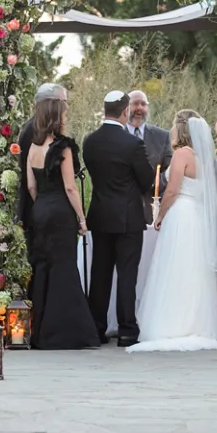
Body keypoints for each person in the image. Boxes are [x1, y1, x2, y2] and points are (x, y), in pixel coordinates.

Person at [127, 110, 217, 353]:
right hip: (196, 216)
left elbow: (171, 191)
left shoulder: (183, 153)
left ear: (180, 129)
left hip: (181, 214)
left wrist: (159, 216)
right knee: (193, 271)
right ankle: (195, 322)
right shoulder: (204, 157)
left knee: (175, 267)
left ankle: (172, 324)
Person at [26, 95, 100, 350]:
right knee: (65, 267)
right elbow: (70, 187)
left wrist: (42, 206)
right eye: (64, 114)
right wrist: (81, 218)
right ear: (57, 117)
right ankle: (67, 333)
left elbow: (31, 186)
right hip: (60, 211)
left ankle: (40, 333)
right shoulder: (63, 148)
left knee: (44, 267)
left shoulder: (33, 148)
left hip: (41, 209)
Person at [83, 91, 155, 346]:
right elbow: (147, 180)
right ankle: (127, 330)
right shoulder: (132, 144)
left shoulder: (89, 142)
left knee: (100, 273)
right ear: (125, 111)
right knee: (127, 274)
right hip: (128, 218)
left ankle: (97, 327)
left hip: (100, 216)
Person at [18, 83, 68, 259]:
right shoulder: (36, 130)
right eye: (63, 102)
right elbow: (31, 180)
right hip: (39, 207)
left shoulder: (36, 127)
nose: (65, 107)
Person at [126, 90, 173, 224]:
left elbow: (169, 170)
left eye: (143, 104)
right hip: (121, 211)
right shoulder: (116, 135)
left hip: (151, 209)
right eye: (135, 103)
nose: (140, 108)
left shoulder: (162, 136)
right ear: (126, 108)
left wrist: (154, 184)